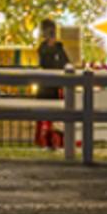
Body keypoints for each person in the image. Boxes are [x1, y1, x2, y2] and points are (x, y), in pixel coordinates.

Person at [34, 19, 70, 150]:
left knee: (57, 119)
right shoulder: (43, 49)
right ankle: (44, 141)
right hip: (45, 88)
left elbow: (66, 64)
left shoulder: (59, 48)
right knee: (44, 117)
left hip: (57, 88)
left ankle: (56, 142)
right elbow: (45, 63)